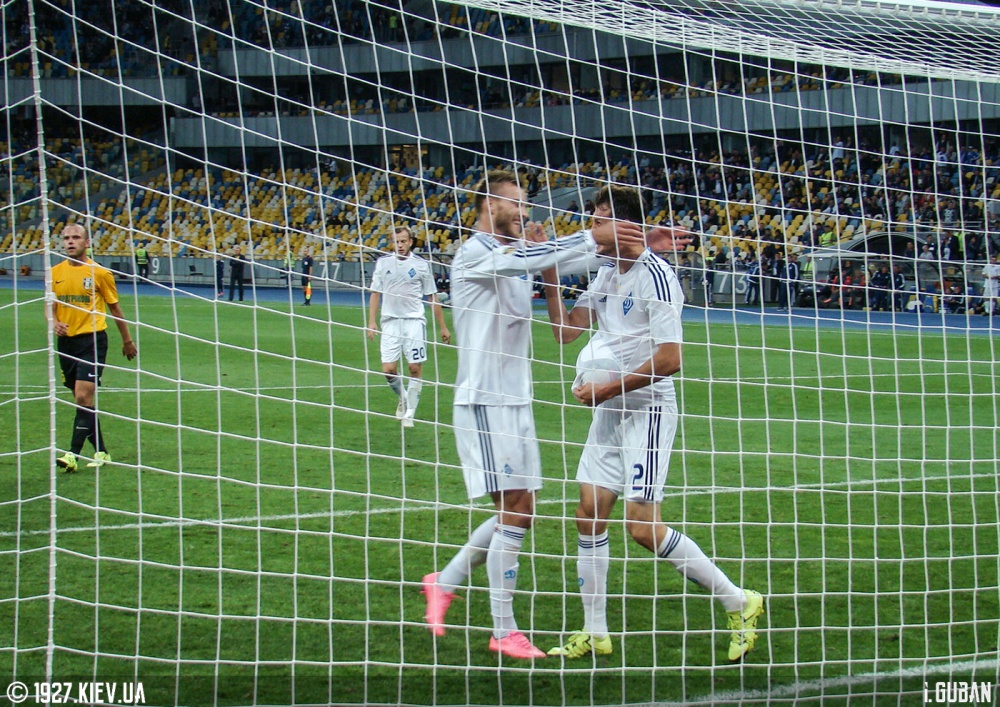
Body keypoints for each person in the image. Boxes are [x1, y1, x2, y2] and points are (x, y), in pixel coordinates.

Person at [420, 170, 656, 660]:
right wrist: (591, 234)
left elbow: (561, 260)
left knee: (520, 509)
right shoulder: (476, 254)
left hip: (516, 401)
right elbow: (535, 257)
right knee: (516, 509)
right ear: (489, 204)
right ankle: (502, 629)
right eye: (516, 204)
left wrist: (641, 243)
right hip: (485, 401)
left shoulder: (514, 253)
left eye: (526, 204)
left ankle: (444, 581)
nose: (524, 212)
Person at [539, 184, 763, 663]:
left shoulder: (656, 277)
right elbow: (565, 331)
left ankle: (738, 601)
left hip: (648, 410)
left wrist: (606, 389)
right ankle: (594, 631)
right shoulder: (606, 273)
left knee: (642, 528)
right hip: (611, 409)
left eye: (599, 219)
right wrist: (549, 275)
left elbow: (670, 359)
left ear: (623, 225)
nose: (592, 229)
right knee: (588, 513)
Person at [50, 223, 138, 472]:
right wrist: (54, 322)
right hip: (66, 343)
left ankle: (72, 455)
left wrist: (127, 341)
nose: (70, 241)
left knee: (82, 397)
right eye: (66, 238)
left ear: (87, 243)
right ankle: (102, 451)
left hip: (93, 341)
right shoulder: (54, 272)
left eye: (76, 237)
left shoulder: (100, 273)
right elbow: (50, 304)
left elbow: (115, 309)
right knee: (82, 402)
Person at [367, 227, 451, 427]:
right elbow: (375, 293)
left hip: (414, 321)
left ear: (411, 242)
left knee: (414, 367)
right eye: (396, 241)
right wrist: (371, 321)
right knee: (389, 370)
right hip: (390, 322)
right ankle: (404, 398)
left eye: (403, 241)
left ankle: (410, 414)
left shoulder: (421, 265)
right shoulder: (383, 263)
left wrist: (443, 326)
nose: (400, 245)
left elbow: (432, 297)